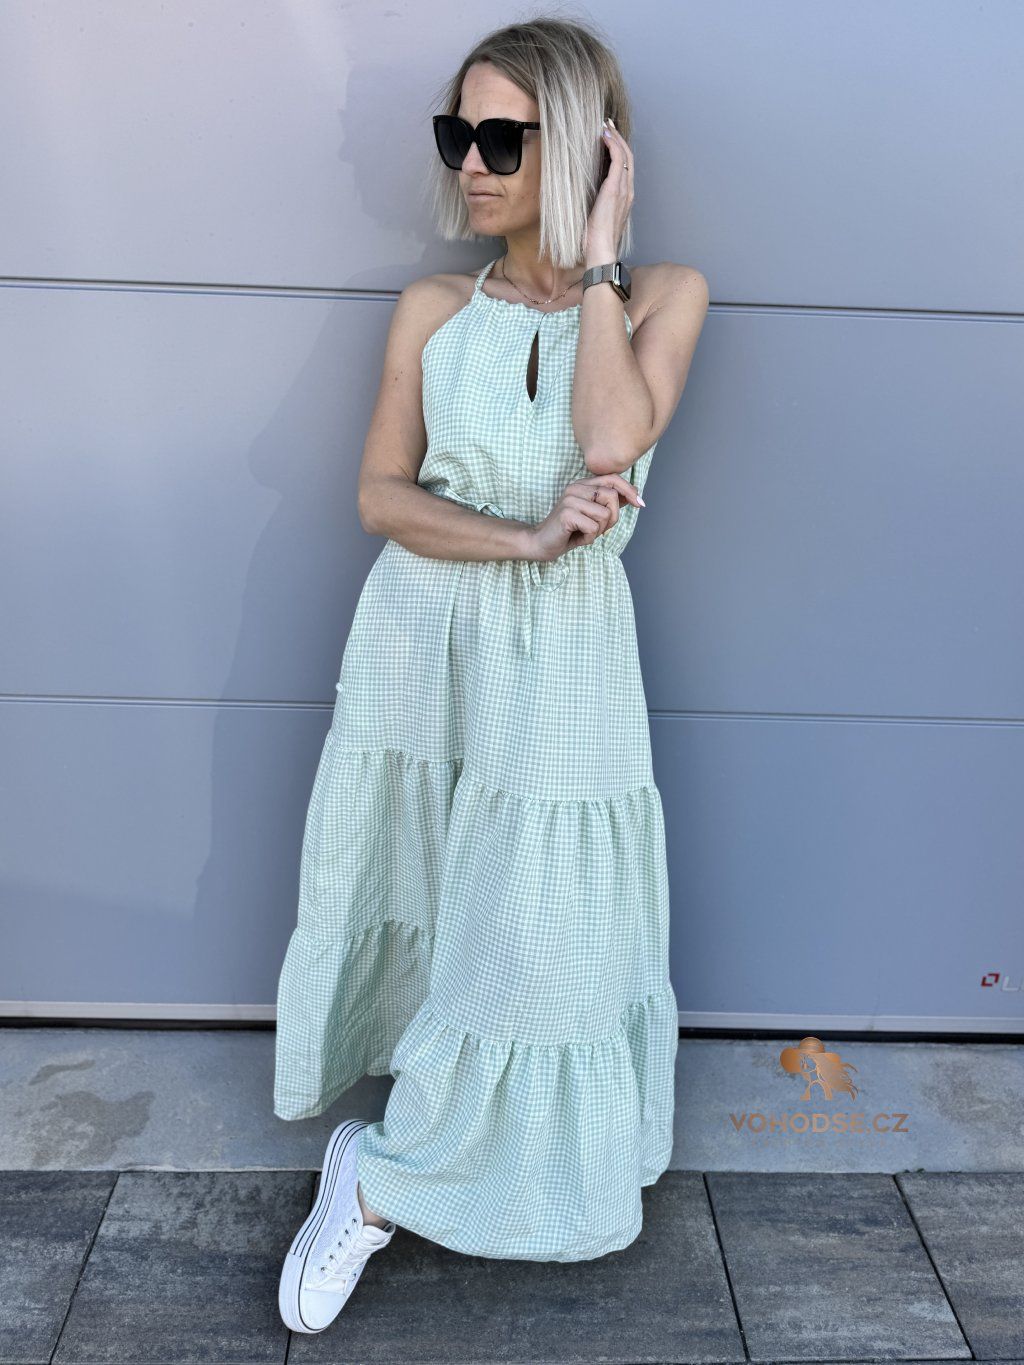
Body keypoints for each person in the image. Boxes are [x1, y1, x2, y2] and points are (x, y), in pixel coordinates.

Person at [275, 15, 709, 1335]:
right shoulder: (431, 309)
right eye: (456, 134)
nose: (469, 163)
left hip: (568, 657)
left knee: (543, 928)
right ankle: (383, 1174)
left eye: (504, 139)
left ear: (580, 147)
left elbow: (614, 442)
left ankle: (409, 1171)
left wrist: (598, 254)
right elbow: (381, 496)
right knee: (438, 894)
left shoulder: (662, 296)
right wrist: (521, 537)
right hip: (427, 637)